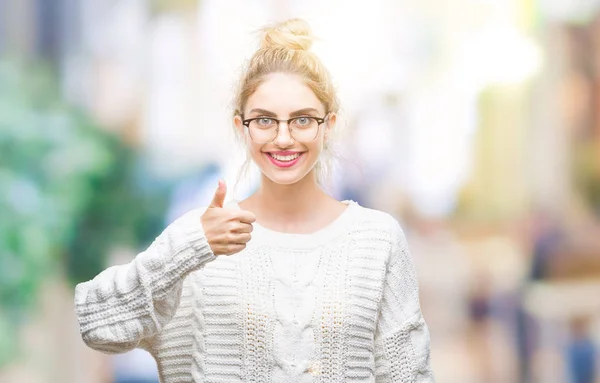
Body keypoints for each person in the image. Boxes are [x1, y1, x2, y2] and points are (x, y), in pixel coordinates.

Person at [74, 18, 434, 382]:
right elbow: (96, 323)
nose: (282, 138)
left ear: (328, 125)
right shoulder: (201, 243)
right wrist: (187, 247)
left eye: (302, 120)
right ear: (239, 126)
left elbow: (410, 374)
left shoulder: (377, 240)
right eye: (264, 120)